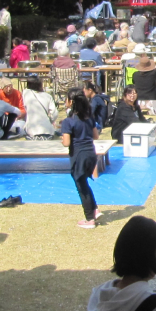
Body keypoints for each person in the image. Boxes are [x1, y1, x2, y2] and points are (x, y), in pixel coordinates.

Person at [62, 93, 101, 230]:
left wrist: (64, 138)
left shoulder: (68, 122)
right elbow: (95, 136)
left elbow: (66, 143)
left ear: (71, 102)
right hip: (91, 153)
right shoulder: (89, 118)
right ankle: (94, 209)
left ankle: (89, 218)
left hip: (78, 156)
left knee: (81, 187)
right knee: (84, 183)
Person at [129, 51, 156, 117]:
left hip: (139, 97)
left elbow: (133, 82)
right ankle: (151, 110)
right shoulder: (154, 73)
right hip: (152, 97)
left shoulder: (135, 74)